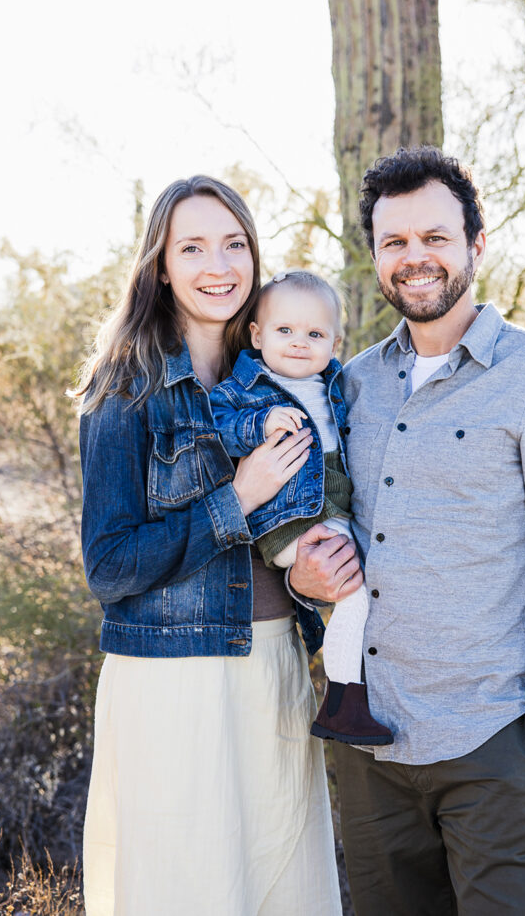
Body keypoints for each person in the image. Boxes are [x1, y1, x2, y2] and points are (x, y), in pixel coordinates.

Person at [289, 145, 525, 915]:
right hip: (369, 749)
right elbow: (319, 517)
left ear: (475, 243)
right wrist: (305, 580)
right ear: (375, 256)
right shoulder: (352, 383)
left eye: (435, 237)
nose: (415, 258)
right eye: (395, 242)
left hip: (494, 745)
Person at [74, 176, 342, 915]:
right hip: (171, 684)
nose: (217, 264)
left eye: (234, 244)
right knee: (187, 890)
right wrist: (240, 496)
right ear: (161, 264)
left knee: (283, 885)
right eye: (191, 246)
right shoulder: (124, 387)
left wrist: (310, 582)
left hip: (274, 669)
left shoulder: (286, 373)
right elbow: (110, 565)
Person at [210, 270, 391, 745]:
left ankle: (354, 692)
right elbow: (215, 422)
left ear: (334, 342)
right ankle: (343, 702)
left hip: (332, 505)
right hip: (289, 518)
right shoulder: (247, 386)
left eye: (314, 334)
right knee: (356, 593)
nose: (298, 343)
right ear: (257, 335)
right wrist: (261, 422)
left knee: (375, 583)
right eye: (284, 331)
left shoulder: (337, 382)